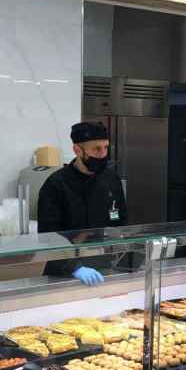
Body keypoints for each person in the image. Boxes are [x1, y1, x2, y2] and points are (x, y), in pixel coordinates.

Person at [38, 122, 127, 285]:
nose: (103, 154)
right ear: (77, 150)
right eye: (96, 149)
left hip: (104, 268)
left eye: (106, 147)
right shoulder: (56, 184)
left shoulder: (111, 179)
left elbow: (121, 224)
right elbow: (49, 237)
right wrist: (75, 268)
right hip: (64, 272)